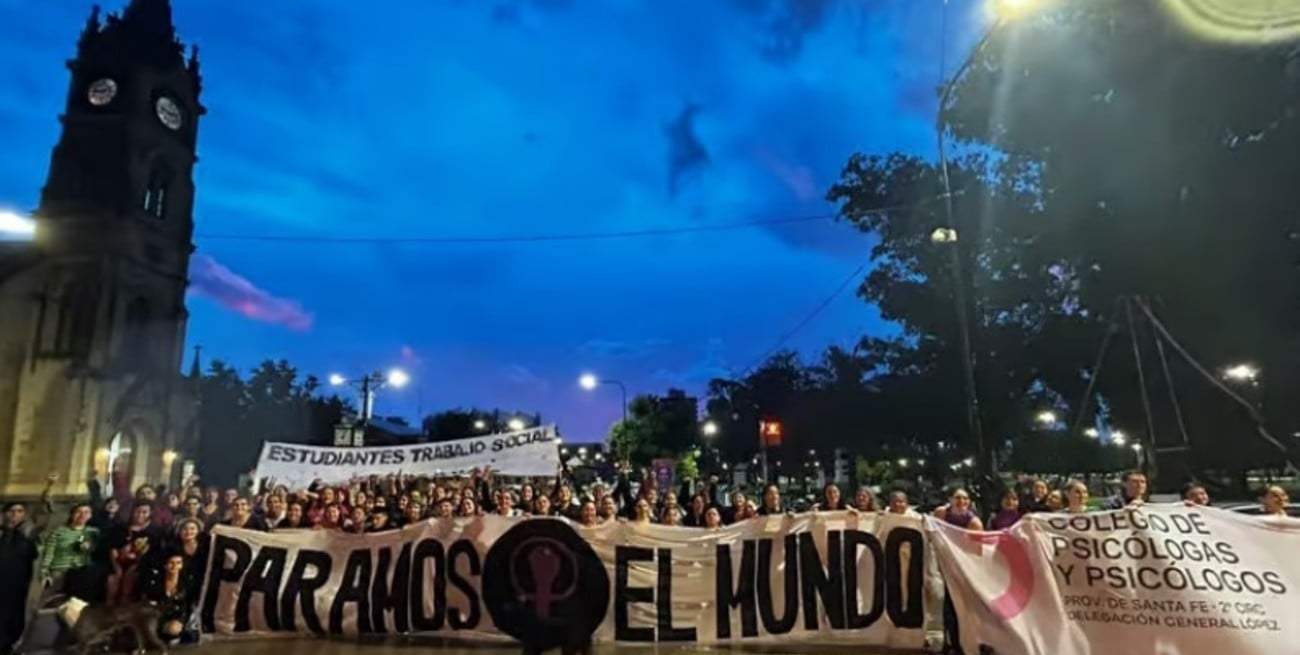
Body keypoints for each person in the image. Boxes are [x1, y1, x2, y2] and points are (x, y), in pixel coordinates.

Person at [0, 502, 39, 655]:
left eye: (19, 511)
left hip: (17, 587)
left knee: (13, 619)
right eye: (12, 511)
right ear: (4, 514)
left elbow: (31, 561)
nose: (15, 515)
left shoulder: (26, 538)